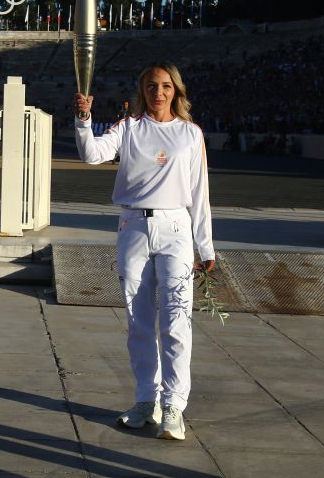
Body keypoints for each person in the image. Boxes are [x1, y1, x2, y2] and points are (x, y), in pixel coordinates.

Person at [73, 61, 214, 442]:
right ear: (142, 90)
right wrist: (84, 118)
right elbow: (92, 154)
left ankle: (173, 406)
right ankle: (145, 400)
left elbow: (200, 194)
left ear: (176, 91)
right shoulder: (130, 127)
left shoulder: (189, 134)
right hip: (133, 228)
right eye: (152, 86)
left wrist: (206, 246)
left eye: (166, 86)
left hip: (176, 230)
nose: (159, 93)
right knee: (138, 321)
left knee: (175, 320)